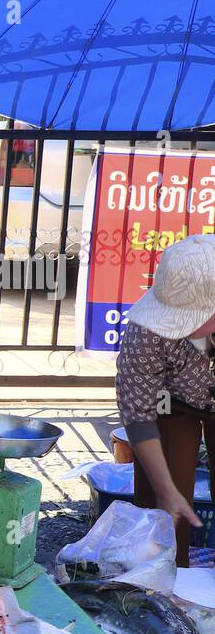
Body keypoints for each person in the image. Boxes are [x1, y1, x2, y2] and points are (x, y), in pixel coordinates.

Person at [116, 233, 215, 566]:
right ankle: (166, 578)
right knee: (165, 509)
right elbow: (137, 409)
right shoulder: (145, 331)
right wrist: (165, 488)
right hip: (172, 403)